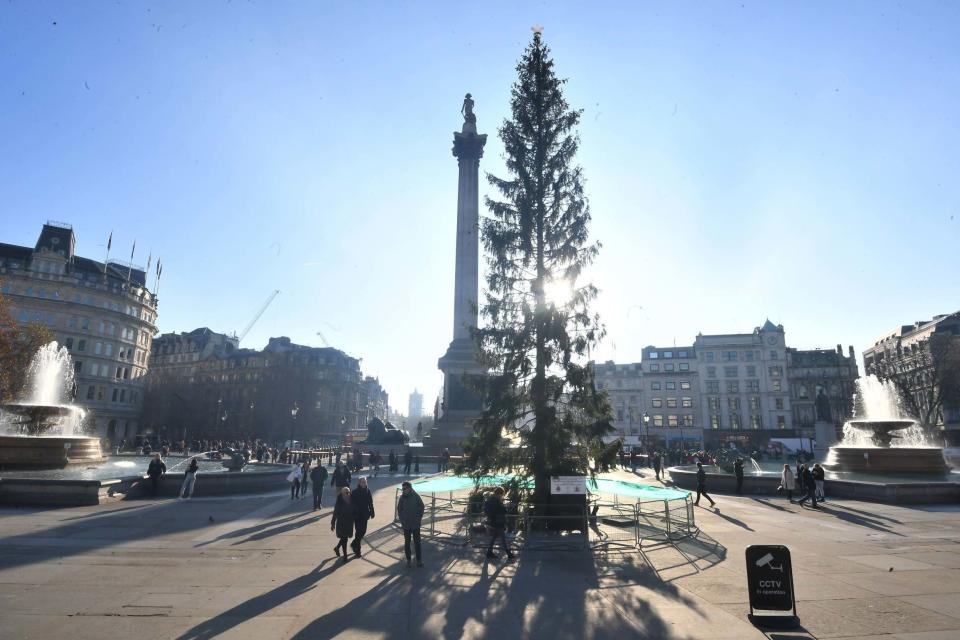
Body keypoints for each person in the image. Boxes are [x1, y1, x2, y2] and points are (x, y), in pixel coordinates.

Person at [397, 481, 424, 568]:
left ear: (410, 488)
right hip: (406, 525)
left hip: (415, 525)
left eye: (405, 488)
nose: (403, 490)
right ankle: (408, 560)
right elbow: (399, 510)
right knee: (407, 543)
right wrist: (403, 520)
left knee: (417, 543)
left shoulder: (416, 496)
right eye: (402, 489)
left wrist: (418, 518)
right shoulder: (402, 498)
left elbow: (422, 507)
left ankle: (419, 560)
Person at [484, 487, 514, 560]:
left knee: (494, 537)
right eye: (501, 494)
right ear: (499, 493)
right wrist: (507, 507)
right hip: (498, 521)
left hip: (494, 521)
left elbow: (493, 510)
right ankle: (508, 553)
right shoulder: (496, 501)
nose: (502, 496)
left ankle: (489, 552)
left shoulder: (491, 500)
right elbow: (501, 510)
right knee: (503, 538)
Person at [351, 477, 375, 558]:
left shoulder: (368, 491)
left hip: (365, 515)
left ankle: (354, 543)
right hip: (357, 516)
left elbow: (370, 503)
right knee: (358, 532)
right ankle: (358, 550)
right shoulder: (354, 492)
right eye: (362, 482)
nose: (364, 484)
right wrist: (354, 512)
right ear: (359, 483)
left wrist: (372, 512)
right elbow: (352, 504)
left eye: (365, 482)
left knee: (363, 532)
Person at [330, 486, 354, 561]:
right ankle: (345, 555)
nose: (348, 494)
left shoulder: (352, 500)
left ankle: (337, 548)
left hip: (349, 522)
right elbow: (335, 513)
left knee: (344, 538)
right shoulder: (339, 501)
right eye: (346, 493)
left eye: (349, 492)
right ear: (342, 494)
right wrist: (333, 523)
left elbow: (355, 509)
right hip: (341, 523)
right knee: (345, 538)